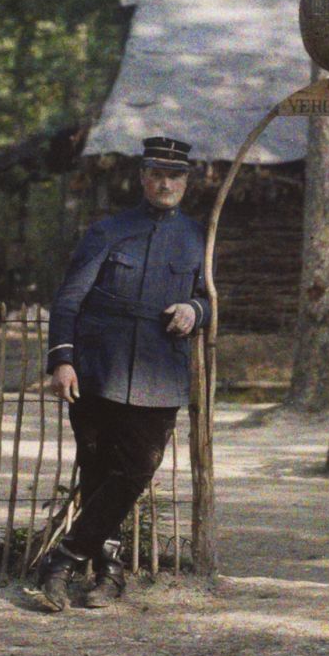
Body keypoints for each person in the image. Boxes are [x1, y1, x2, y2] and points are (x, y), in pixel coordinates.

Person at [33, 135, 210, 613]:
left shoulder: (198, 237)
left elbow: (211, 297)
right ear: (143, 178)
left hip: (160, 372)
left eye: (175, 176)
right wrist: (62, 360)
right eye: (157, 174)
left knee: (135, 470)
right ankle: (109, 574)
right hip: (97, 368)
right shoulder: (107, 232)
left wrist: (195, 310)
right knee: (97, 472)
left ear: (186, 182)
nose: (165, 184)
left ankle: (63, 560)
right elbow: (69, 300)